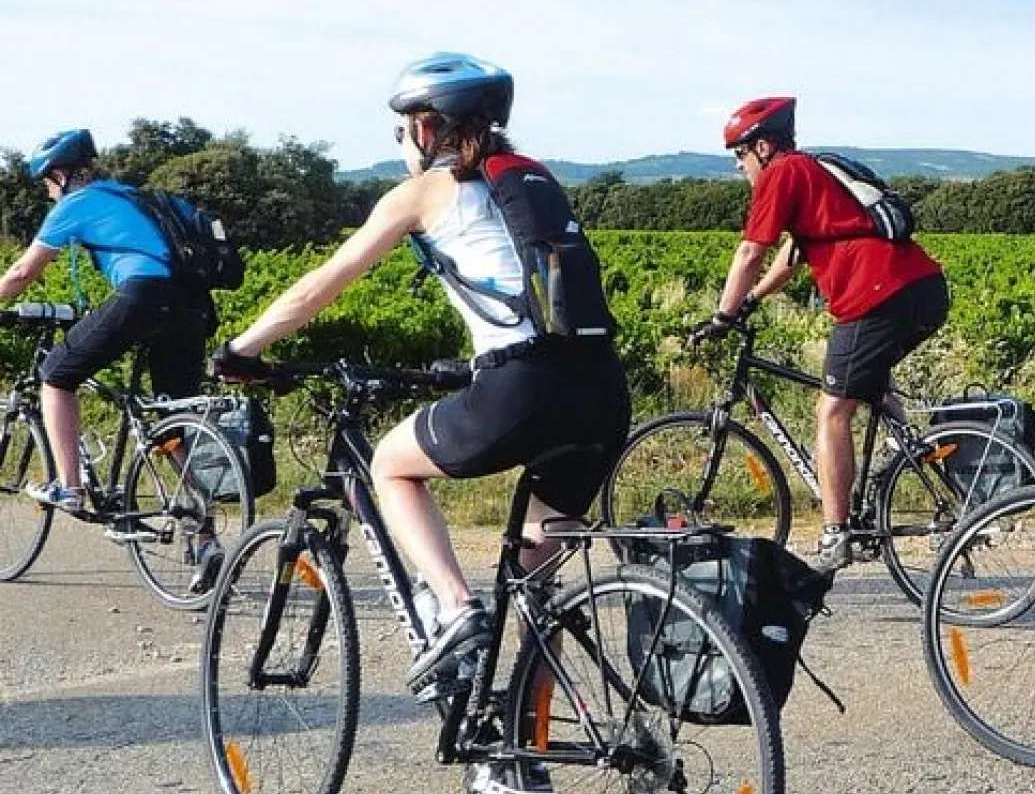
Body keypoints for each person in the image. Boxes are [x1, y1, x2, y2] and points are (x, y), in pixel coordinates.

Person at [213, 53, 630, 696]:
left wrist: (243, 348)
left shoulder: (421, 193)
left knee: (390, 464)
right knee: (535, 591)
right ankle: (524, 762)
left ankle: (458, 606)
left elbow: (322, 285)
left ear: (428, 127)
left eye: (405, 126)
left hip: (522, 388)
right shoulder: (530, 179)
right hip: (602, 390)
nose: (403, 140)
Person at [698, 96, 949, 571]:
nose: (738, 167)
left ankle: (837, 534)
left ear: (764, 148)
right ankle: (910, 462)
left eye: (739, 155)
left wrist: (724, 315)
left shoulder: (782, 174)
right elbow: (793, 255)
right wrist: (751, 301)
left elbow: (752, 251)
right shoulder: (809, 173)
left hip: (876, 293)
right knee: (866, 386)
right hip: (920, 288)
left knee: (832, 409)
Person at [1, 130, 220, 568]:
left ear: (61, 175)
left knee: (57, 376)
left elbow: (23, 271)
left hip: (143, 296)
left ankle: (69, 486)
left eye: (46, 182)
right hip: (194, 306)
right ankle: (206, 537)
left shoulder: (75, 204)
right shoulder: (135, 197)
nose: (47, 191)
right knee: (169, 416)